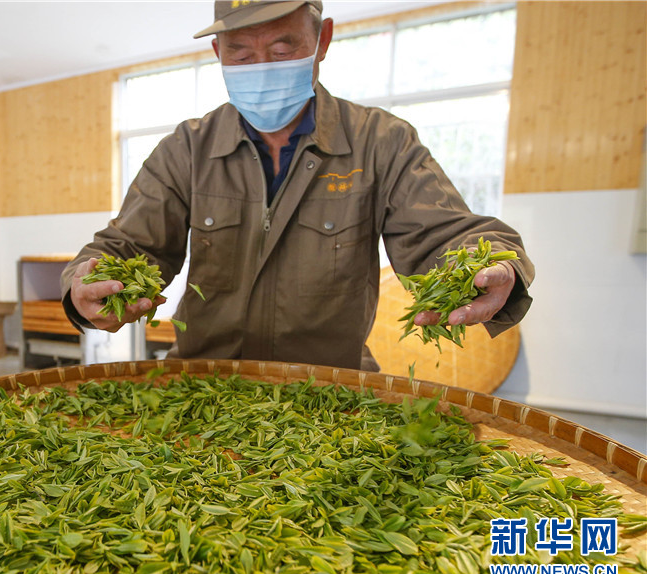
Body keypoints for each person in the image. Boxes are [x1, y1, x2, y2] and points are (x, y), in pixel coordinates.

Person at [61, 0, 534, 370]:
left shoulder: (379, 142)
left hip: (329, 385)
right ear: (217, 53)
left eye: (284, 50)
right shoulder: (187, 148)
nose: (262, 67)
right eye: (241, 54)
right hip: (205, 383)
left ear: (322, 39)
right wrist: (86, 282)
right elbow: (128, 249)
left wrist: (493, 264)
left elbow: (445, 234)